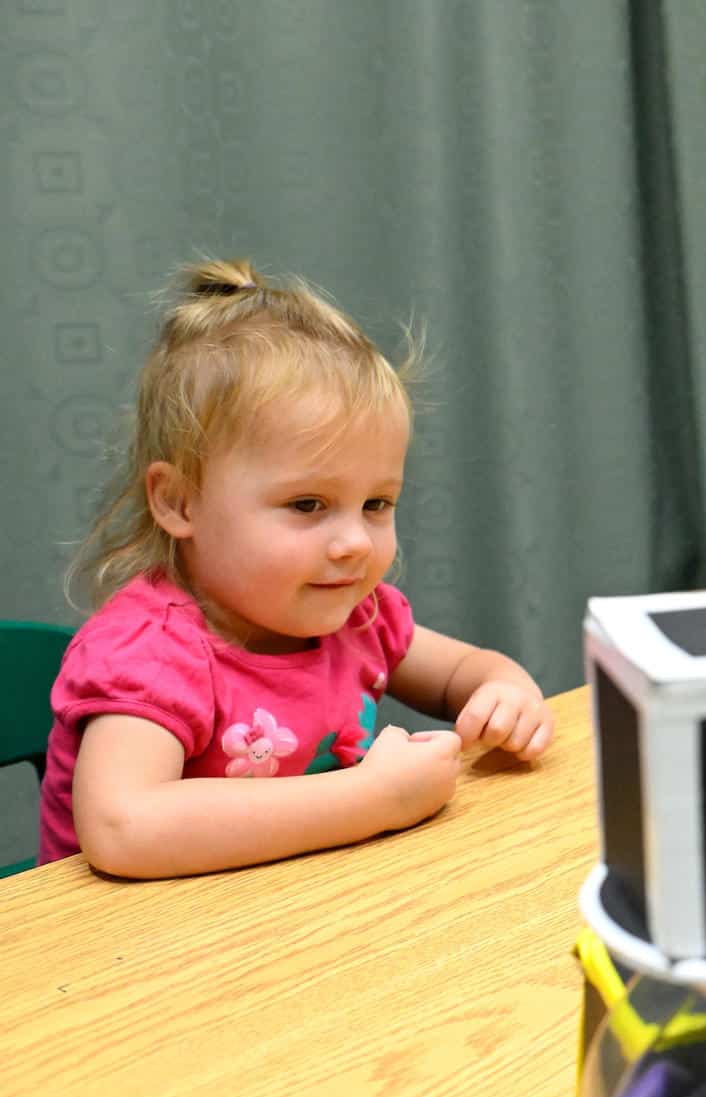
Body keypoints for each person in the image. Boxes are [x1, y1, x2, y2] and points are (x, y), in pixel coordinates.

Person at [37, 259, 555, 878]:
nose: (354, 542)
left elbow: (466, 674)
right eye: (307, 505)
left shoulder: (355, 618)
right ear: (179, 502)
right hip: (131, 954)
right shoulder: (152, 654)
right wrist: (373, 799)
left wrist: (506, 695)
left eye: (376, 504)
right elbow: (124, 829)